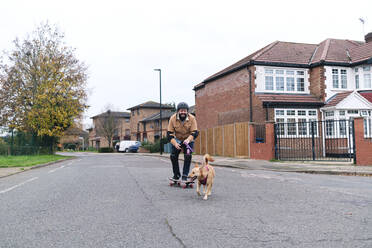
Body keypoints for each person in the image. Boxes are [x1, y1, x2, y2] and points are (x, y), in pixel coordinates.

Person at [167, 102, 199, 182]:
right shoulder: (172, 118)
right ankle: (176, 174)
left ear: (187, 111)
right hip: (177, 139)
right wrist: (175, 143)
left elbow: (195, 132)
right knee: (173, 156)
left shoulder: (192, 118)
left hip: (188, 139)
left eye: (185, 111)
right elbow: (169, 134)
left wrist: (188, 140)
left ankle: (185, 175)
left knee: (188, 156)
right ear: (178, 111)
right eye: (181, 111)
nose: (183, 112)